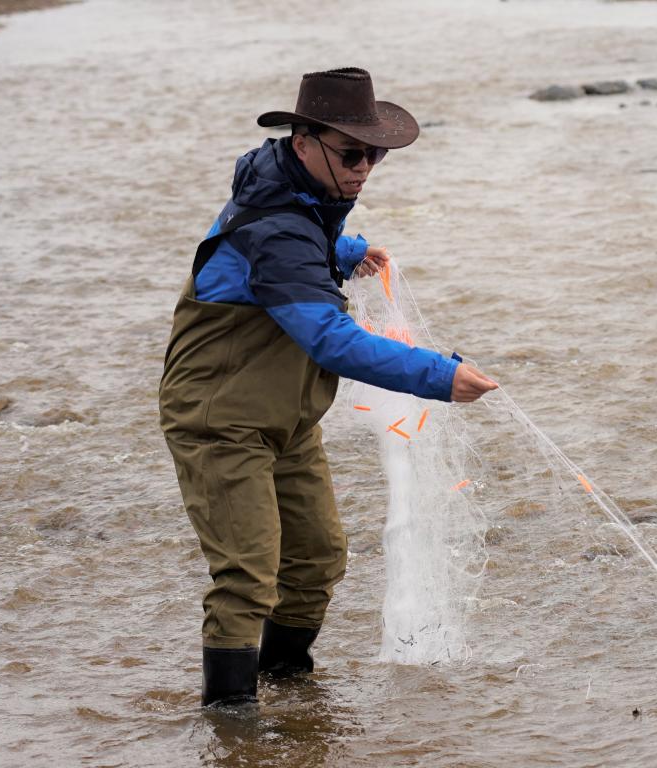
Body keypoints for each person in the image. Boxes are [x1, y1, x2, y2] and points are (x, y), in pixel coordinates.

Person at [158, 67, 498, 708]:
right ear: (303, 142)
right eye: (351, 153)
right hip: (219, 419)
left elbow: (299, 240)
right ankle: (233, 725)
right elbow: (330, 339)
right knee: (248, 576)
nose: (364, 167)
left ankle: (290, 696)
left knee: (317, 558)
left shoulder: (292, 192)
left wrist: (345, 250)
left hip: (284, 417)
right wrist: (439, 375)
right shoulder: (277, 227)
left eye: (375, 154)